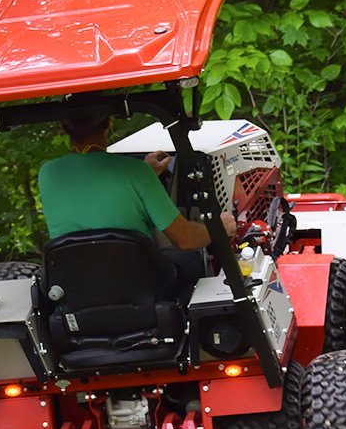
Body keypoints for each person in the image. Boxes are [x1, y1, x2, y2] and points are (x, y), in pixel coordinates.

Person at [37, 116, 238, 297]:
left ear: (63, 126)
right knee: (192, 259)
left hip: (78, 290)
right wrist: (219, 228)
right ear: (109, 122)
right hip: (139, 290)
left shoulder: (48, 173)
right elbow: (185, 240)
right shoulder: (136, 172)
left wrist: (145, 174)